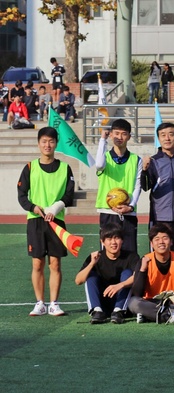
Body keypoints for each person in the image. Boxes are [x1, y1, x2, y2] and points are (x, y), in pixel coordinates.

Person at [17, 127, 75, 317]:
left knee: (55, 264)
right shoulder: (30, 167)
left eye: (51, 141)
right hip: (36, 221)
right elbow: (22, 195)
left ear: (56, 143)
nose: (47, 145)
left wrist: (56, 208)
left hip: (56, 222)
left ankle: (54, 304)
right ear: (38, 143)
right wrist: (34, 208)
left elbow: (69, 194)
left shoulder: (65, 168)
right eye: (44, 141)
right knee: (37, 264)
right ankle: (40, 303)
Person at [128, 224, 174, 324]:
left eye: (165, 238)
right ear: (152, 244)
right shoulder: (145, 260)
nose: (161, 242)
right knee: (133, 303)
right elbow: (137, 293)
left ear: (171, 242)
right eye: (157, 239)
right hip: (152, 302)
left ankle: (154, 316)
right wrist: (142, 270)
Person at [140, 122, 174, 247]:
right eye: (163, 135)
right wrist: (144, 171)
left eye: (171, 134)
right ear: (158, 139)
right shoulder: (153, 161)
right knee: (161, 254)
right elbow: (145, 187)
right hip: (160, 218)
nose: (167, 138)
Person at [74, 223, 138, 324]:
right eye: (109, 238)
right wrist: (91, 264)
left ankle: (118, 311)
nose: (113, 242)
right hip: (102, 301)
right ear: (102, 242)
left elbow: (138, 277)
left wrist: (120, 285)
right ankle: (97, 311)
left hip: (123, 302)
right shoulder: (95, 257)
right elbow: (78, 281)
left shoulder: (131, 256)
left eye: (117, 238)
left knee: (127, 273)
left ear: (122, 240)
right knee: (91, 275)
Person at [95, 119, 143, 253]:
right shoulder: (104, 157)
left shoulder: (136, 160)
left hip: (128, 212)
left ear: (129, 136)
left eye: (123, 134)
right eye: (116, 133)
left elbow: (137, 186)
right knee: (108, 254)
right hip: (108, 212)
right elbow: (98, 165)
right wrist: (102, 140)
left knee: (130, 253)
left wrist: (130, 206)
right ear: (110, 134)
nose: (119, 137)